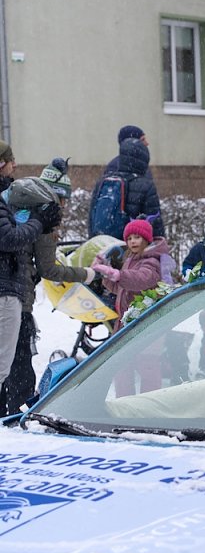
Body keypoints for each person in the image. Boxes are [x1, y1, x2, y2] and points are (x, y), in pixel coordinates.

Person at [0, 162, 96, 414]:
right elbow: (48, 269)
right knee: (18, 369)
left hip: (10, 292)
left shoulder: (15, 205)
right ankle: (14, 420)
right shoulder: (44, 215)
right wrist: (87, 274)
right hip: (16, 298)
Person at [1, 181, 56, 401]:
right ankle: (15, 409)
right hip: (7, 293)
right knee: (8, 366)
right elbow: (10, 239)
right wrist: (39, 222)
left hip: (13, 293)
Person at [91, 218, 170, 329]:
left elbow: (142, 279)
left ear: (146, 239)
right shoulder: (130, 260)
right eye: (129, 238)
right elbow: (121, 289)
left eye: (137, 237)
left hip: (144, 320)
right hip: (126, 319)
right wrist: (107, 276)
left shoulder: (152, 260)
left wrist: (119, 275)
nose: (132, 241)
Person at [89, 136, 165, 238]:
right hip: (131, 244)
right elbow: (154, 223)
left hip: (103, 243)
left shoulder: (103, 182)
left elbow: (92, 217)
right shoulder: (146, 185)